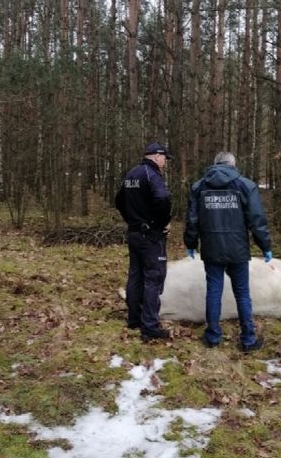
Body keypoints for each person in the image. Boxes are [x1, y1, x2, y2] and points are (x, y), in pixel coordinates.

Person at [183, 151, 271, 352]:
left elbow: (192, 221)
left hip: (211, 247)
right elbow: (256, 221)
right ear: (233, 164)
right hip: (237, 248)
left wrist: (190, 243)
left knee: (214, 291)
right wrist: (265, 246)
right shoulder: (246, 186)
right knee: (242, 293)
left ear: (215, 164)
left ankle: (213, 337)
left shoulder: (199, 187)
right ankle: (248, 340)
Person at [115, 142, 174, 342]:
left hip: (134, 233)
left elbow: (119, 200)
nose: (165, 162)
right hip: (150, 236)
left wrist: (131, 219)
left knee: (136, 275)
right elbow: (163, 198)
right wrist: (161, 223)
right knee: (153, 278)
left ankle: (134, 319)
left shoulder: (131, 174)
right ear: (157, 156)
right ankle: (149, 326)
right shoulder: (151, 174)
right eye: (165, 158)